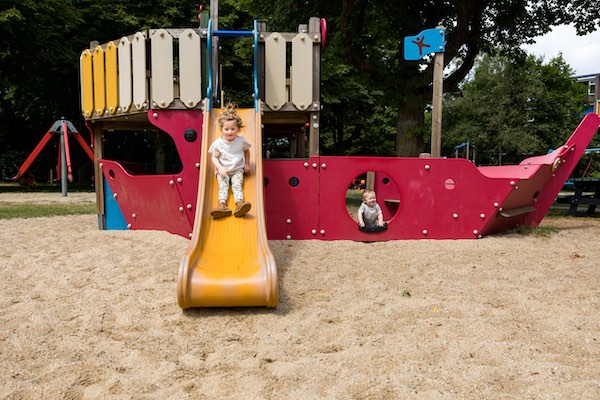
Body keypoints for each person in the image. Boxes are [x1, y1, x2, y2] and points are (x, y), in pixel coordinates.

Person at [208, 103, 252, 219]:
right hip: (224, 170)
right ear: (221, 129)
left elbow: (247, 151)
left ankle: (240, 205)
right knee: (223, 186)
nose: (229, 132)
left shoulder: (241, 141)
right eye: (226, 129)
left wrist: (247, 164)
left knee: (237, 185)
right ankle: (222, 206)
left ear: (238, 128)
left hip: (237, 170)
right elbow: (214, 157)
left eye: (233, 129)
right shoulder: (218, 143)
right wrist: (220, 167)